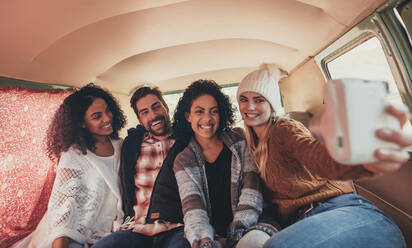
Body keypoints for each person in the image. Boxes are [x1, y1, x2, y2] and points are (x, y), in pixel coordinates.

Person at [236, 64, 410, 248]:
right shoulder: (248, 144)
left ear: (271, 103)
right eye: (243, 99)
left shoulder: (284, 129)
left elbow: (317, 156)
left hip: (341, 210)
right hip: (305, 224)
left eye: (259, 100)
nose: (250, 106)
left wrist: (357, 155)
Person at [12, 84, 126, 248]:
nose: (107, 118)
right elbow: (64, 206)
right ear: (82, 123)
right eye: (97, 116)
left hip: (115, 231)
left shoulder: (122, 146)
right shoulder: (73, 155)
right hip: (74, 234)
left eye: (108, 110)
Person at [172, 80, 277, 248]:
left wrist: (235, 234)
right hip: (213, 232)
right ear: (188, 116)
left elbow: (253, 190)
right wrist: (206, 241)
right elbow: (193, 209)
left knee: (252, 244)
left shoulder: (240, 139)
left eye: (214, 111)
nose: (207, 118)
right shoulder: (183, 161)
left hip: (253, 223)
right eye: (199, 111)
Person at [93, 85, 190, 248]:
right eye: (145, 112)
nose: (153, 115)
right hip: (137, 228)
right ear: (139, 119)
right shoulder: (131, 145)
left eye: (156, 106)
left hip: (177, 227)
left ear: (165, 107)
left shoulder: (186, 141)